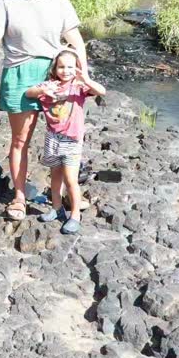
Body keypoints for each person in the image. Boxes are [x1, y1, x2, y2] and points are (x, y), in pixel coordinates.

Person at [0, 0, 87, 220]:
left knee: (63, 137)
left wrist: (84, 75)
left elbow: (76, 41)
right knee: (20, 140)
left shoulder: (59, 1)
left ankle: (62, 195)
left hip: (54, 74)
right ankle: (20, 197)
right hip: (19, 74)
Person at [25, 48, 105, 234]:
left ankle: (75, 215)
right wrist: (42, 89)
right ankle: (56, 207)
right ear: (55, 68)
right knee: (55, 176)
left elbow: (102, 91)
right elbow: (29, 93)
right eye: (61, 67)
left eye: (70, 67)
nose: (66, 70)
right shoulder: (49, 85)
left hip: (71, 139)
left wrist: (85, 78)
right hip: (52, 137)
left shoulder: (78, 87)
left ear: (76, 68)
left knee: (71, 179)